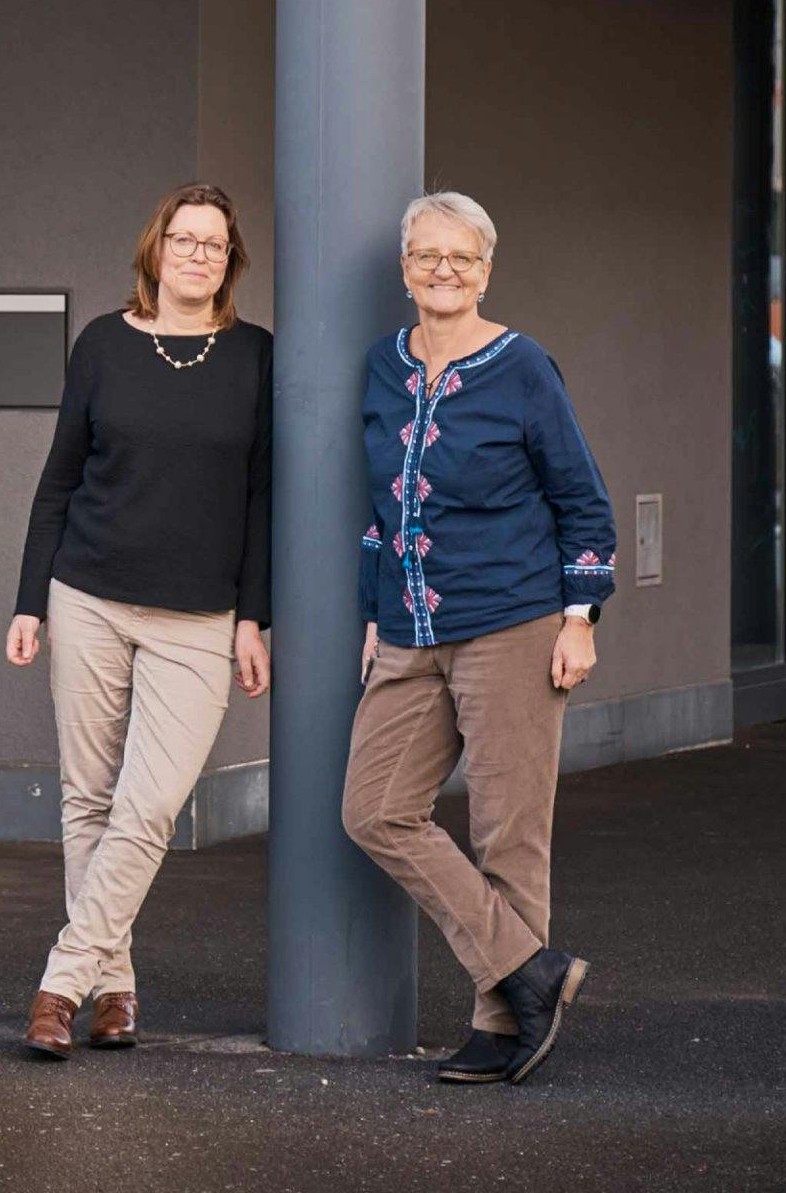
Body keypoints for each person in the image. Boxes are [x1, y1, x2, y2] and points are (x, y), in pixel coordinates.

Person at [343, 191, 615, 1087]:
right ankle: (531, 970)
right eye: (428, 255)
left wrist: (580, 617)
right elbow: (381, 506)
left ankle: (502, 1024)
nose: (444, 271)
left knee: (508, 833)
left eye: (462, 257)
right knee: (375, 809)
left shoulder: (522, 365)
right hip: (408, 628)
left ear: (486, 271)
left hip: (513, 621)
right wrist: (374, 613)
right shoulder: (384, 365)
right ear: (405, 269)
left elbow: (581, 498)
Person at [7, 183, 272, 1058]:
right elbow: (59, 478)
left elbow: (262, 498)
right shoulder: (102, 344)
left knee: (150, 804)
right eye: (183, 239)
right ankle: (112, 984)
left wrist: (254, 618)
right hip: (87, 594)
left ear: (230, 262)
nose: (197, 255)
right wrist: (29, 599)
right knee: (88, 798)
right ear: (155, 249)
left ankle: (61, 982)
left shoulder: (255, 356)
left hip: (198, 615)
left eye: (214, 244)